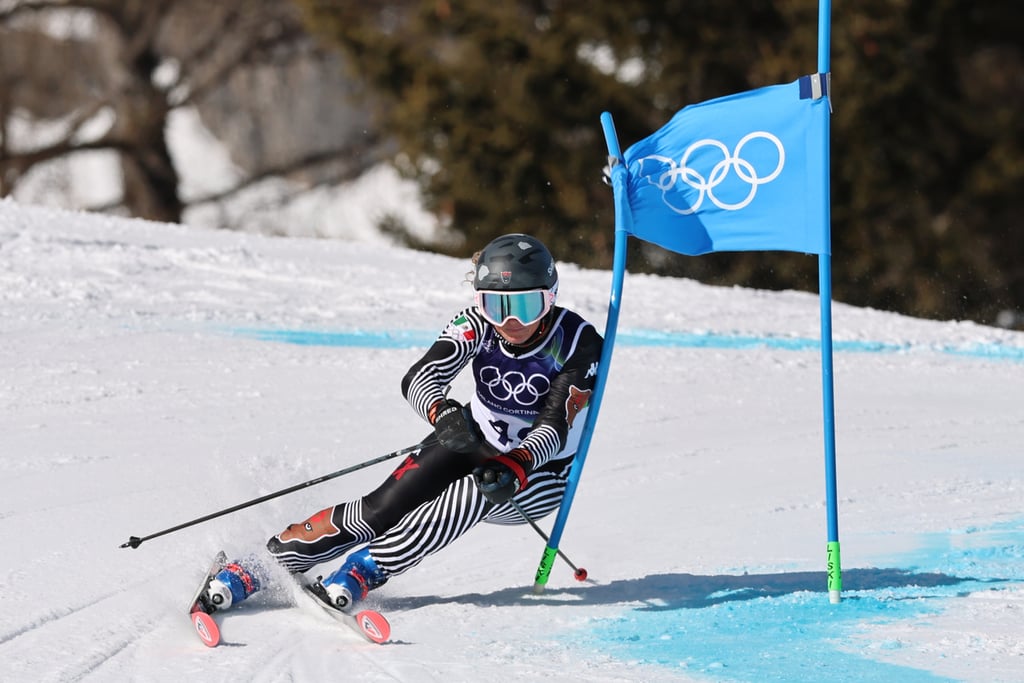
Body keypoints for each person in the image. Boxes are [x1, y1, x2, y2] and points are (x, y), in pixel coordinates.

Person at [202, 233, 603, 613]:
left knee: (473, 492)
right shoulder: (476, 325)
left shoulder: (577, 342)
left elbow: (555, 426)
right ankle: (257, 566)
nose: (510, 320)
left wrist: (517, 462)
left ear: (550, 298)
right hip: (472, 437)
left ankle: (362, 570)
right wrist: (440, 412)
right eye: (495, 306)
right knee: (381, 508)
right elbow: (420, 377)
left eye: (526, 306)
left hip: (539, 470)